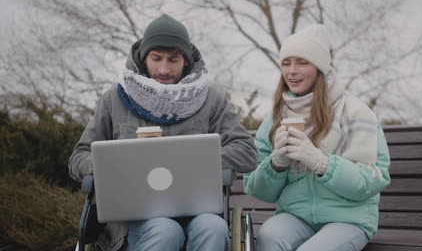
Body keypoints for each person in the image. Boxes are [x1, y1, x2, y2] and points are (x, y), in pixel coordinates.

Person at [69, 14, 258, 251]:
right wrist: (111, 164)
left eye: (173, 60)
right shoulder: (114, 99)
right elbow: (78, 158)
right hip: (132, 220)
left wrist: (196, 160)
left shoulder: (211, 100)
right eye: (156, 58)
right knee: (166, 230)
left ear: (186, 61)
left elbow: (247, 153)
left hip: (198, 212)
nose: (164, 69)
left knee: (214, 228)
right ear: (143, 57)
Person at [243, 24, 391, 251]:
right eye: (286, 63)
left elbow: (371, 182)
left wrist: (321, 162)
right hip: (297, 215)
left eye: (302, 62)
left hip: (348, 218)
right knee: (269, 236)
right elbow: (257, 189)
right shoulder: (275, 117)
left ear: (320, 68)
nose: (292, 71)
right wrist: (277, 164)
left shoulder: (356, 112)